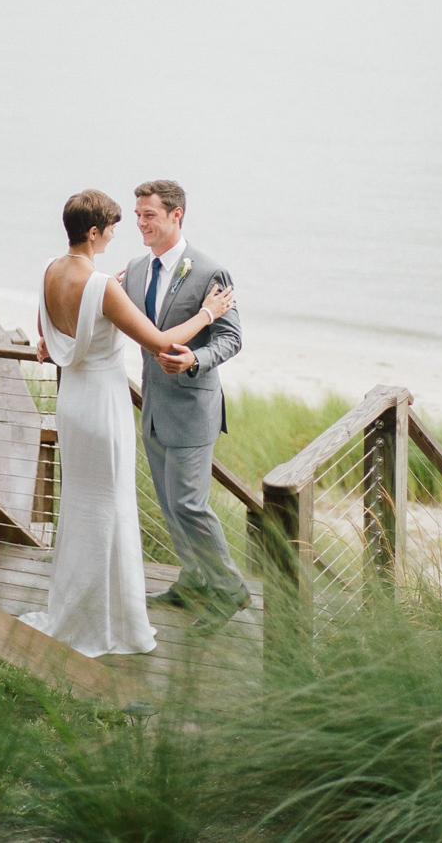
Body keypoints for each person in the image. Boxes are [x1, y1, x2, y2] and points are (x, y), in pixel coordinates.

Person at [19, 188, 234, 658]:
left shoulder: (51, 271)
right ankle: (110, 619)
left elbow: (48, 338)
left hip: (71, 403)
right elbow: (159, 342)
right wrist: (206, 313)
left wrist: (103, 293)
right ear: (94, 232)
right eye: (116, 226)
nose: (123, 233)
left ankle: (81, 608)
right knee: (109, 508)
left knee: (81, 506)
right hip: (103, 408)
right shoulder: (105, 286)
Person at [122, 179, 252, 633]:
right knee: (168, 503)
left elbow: (231, 338)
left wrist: (197, 358)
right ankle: (194, 578)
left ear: (176, 215)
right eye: (137, 215)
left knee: (191, 505)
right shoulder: (136, 270)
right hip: (154, 408)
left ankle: (230, 587)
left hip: (195, 411)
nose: (140, 223)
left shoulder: (210, 273)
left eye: (149, 215)